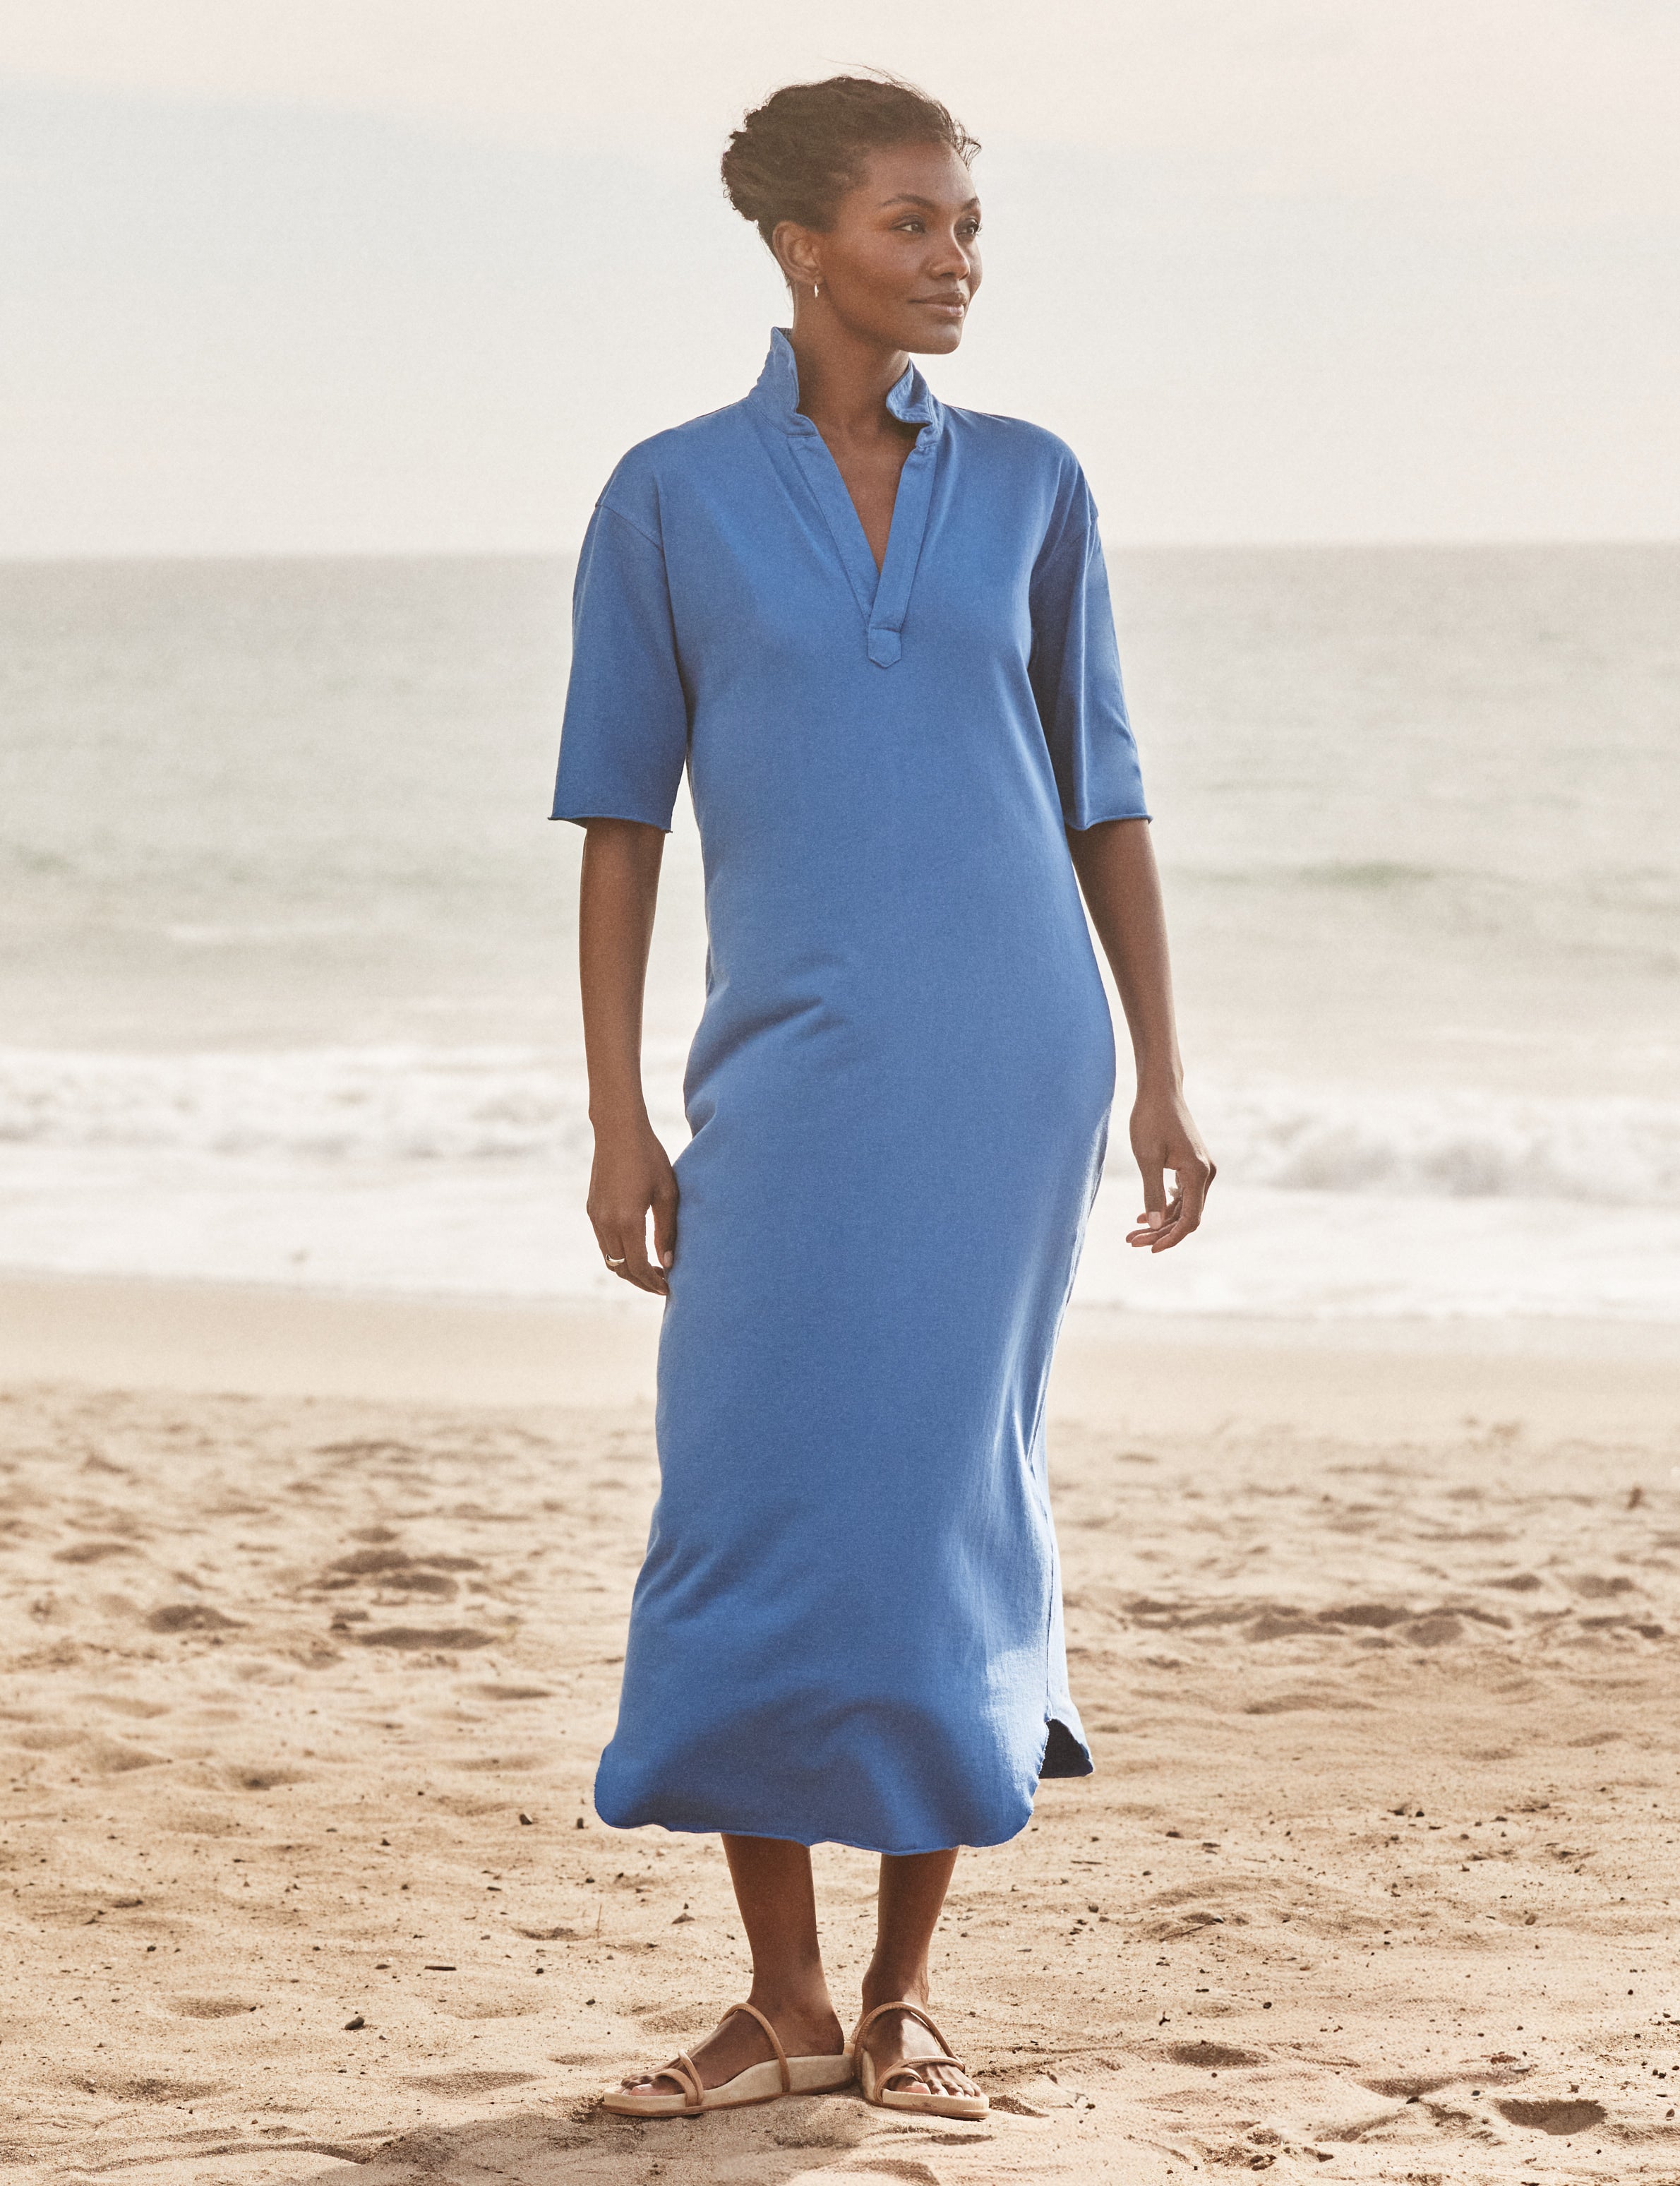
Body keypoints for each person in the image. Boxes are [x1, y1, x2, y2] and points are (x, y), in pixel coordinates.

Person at [552, 73, 1213, 2121]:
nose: (953, 262)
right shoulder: (665, 494)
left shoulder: (1027, 481)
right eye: (913, 224)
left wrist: (1164, 1067)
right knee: (751, 1489)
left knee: (944, 1498)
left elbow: (1100, 790)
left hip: (1007, 1056)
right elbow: (616, 821)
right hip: (787, 1065)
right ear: (798, 240)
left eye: (965, 227)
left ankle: (905, 1991)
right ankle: (777, 1997)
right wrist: (613, 1114)